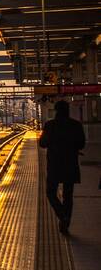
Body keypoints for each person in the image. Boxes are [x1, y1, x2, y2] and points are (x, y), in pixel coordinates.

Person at [39, 100, 85, 235]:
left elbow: (43, 143)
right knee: (68, 195)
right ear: (68, 110)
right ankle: (66, 220)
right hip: (71, 165)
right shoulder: (76, 125)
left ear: (56, 111)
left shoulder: (50, 125)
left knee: (50, 192)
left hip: (54, 165)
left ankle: (62, 215)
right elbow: (81, 144)